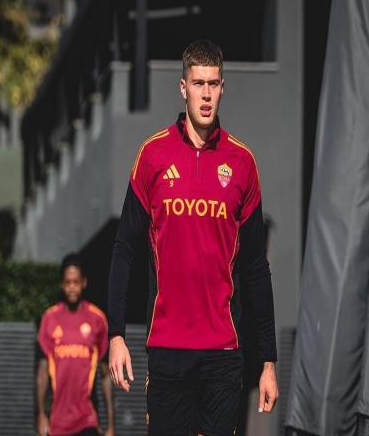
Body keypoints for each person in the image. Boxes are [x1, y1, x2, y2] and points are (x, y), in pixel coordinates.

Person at [107, 39, 278, 435]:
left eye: (213, 84)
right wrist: (115, 334)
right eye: (198, 83)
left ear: (223, 88)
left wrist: (268, 361)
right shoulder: (152, 156)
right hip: (168, 349)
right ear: (183, 87)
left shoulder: (242, 163)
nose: (206, 94)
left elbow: (256, 267)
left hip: (223, 353)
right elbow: (124, 248)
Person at [37, 253, 115, 436]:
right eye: (67, 282)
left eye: (76, 282)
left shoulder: (97, 319)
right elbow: (42, 372)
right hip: (57, 422)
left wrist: (111, 425)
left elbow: (105, 375)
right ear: (62, 284)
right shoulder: (49, 318)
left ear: (84, 283)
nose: (72, 287)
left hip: (87, 420)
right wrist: (41, 414)